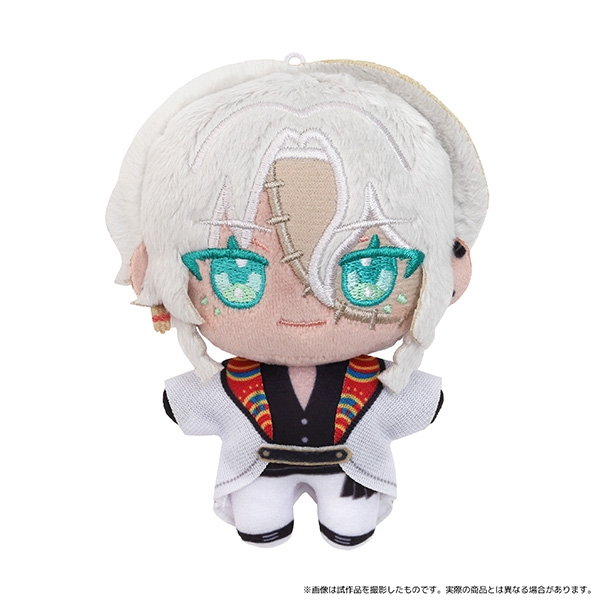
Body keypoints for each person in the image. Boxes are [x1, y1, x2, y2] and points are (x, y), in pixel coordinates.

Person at [107, 58, 487, 548]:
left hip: (350, 478)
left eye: (369, 273)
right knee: (262, 512)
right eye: (234, 273)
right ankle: (272, 519)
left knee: (348, 513)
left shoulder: (370, 380)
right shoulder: (245, 381)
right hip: (259, 474)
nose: (304, 309)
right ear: (153, 273)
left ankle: (334, 520)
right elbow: (185, 402)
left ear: (449, 269)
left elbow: (422, 402)